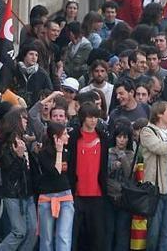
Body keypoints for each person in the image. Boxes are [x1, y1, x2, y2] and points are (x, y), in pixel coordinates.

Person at [0, 108, 37, 251]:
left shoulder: (23, 140)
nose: (26, 122)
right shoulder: (5, 144)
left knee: (33, 231)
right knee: (19, 232)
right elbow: (9, 174)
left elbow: (28, 169)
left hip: (27, 191)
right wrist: (18, 157)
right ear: (16, 121)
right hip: (13, 193)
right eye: (23, 119)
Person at [67, 104, 109, 251]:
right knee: (74, 235)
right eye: (90, 117)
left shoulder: (103, 137)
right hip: (77, 192)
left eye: (96, 117)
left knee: (97, 236)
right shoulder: (73, 137)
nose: (93, 120)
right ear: (83, 118)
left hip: (97, 192)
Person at [141, 102, 167, 251]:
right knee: (153, 232)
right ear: (159, 114)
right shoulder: (147, 131)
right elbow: (159, 147)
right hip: (156, 190)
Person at [35, 122, 74, 251]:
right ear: (56, 137)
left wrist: (62, 151)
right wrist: (59, 151)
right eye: (64, 134)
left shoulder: (68, 151)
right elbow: (56, 171)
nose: (68, 136)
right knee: (47, 239)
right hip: (47, 196)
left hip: (65, 196)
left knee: (64, 236)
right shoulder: (43, 154)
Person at [107, 122, 135, 251]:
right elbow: (103, 173)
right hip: (109, 196)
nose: (122, 140)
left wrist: (123, 157)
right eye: (119, 137)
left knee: (122, 231)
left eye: (125, 137)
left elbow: (129, 173)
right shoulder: (108, 152)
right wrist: (112, 166)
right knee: (108, 230)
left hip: (124, 197)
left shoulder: (131, 154)